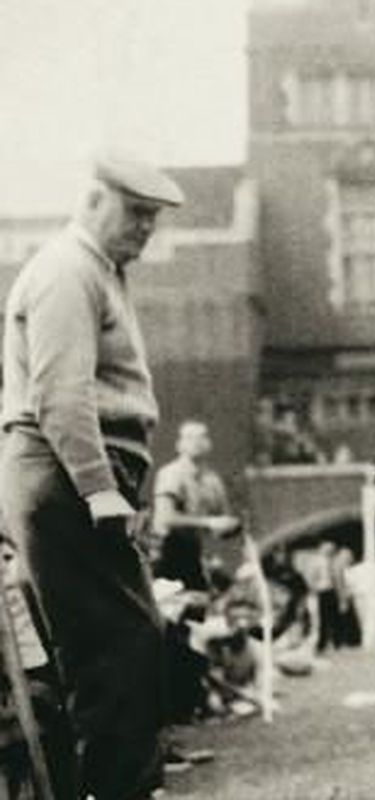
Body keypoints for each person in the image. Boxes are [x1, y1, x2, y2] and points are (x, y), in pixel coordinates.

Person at [0, 151, 183, 799]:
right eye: (135, 213)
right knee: (118, 654)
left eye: (152, 219)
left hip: (73, 482)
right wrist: (99, 486)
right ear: (93, 200)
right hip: (65, 479)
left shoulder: (94, 271)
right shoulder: (66, 269)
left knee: (123, 649)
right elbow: (59, 394)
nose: (145, 230)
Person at [150, 420, 240, 593]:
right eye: (190, 437)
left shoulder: (212, 480)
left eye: (202, 436)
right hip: (169, 553)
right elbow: (164, 518)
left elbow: (222, 518)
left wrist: (231, 525)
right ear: (180, 444)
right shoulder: (172, 474)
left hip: (199, 552)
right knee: (172, 603)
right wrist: (209, 522)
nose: (197, 442)